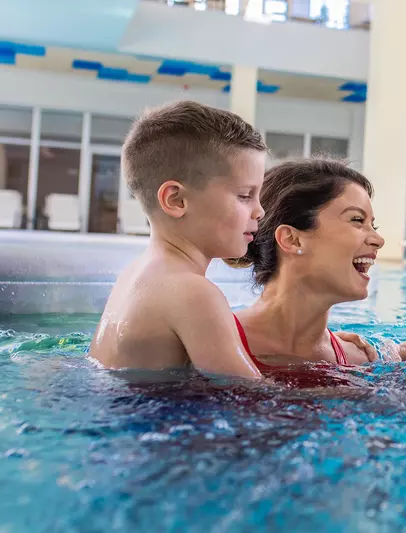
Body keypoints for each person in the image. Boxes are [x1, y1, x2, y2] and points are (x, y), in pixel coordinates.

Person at [90, 100, 267, 378]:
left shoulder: (136, 274)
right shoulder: (194, 293)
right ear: (176, 199)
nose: (260, 210)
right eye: (245, 195)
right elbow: (253, 399)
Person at [228, 158, 386, 369]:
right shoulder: (211, 343)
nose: (378, 240)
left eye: (373, 225)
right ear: (292, 239)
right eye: (357, 220)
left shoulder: (359, 358)